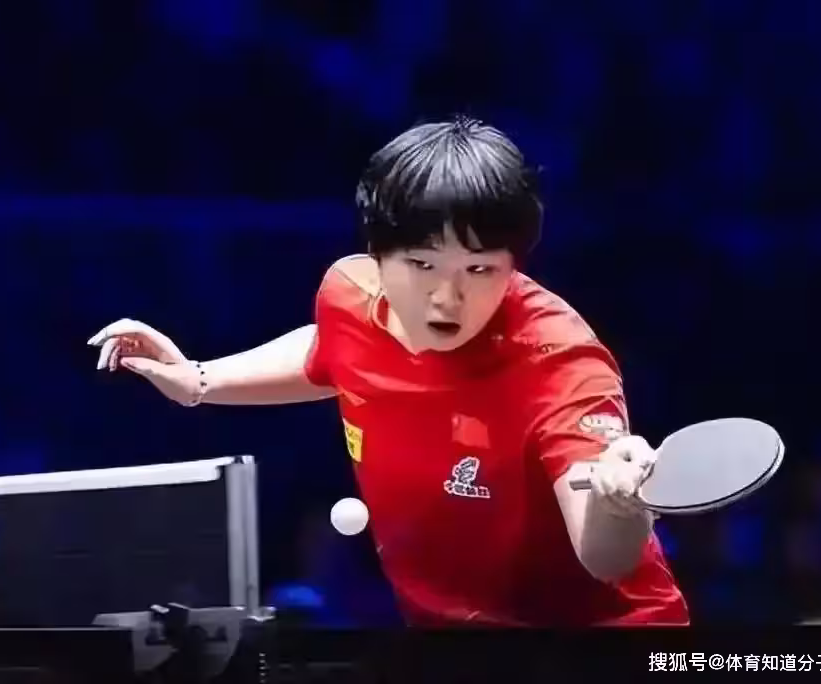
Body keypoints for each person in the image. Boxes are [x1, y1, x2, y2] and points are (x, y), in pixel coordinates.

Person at [87, 116, 689, 626]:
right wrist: (198, 379)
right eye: (422, 265)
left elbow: (606, 559)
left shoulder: (559, 361)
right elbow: (330, 351)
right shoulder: (350, 293)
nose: (446, 298)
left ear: (515, 265)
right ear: (378, 255)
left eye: (479, 270)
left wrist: (617, 504)